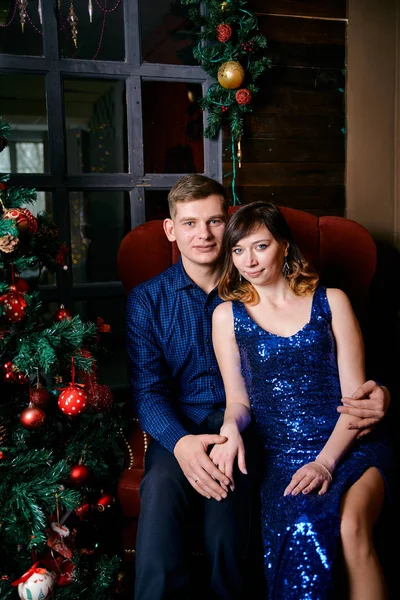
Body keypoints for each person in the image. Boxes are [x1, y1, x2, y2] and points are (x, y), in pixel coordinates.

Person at [125, 175, 390, 600]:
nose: (204, 234)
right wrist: (181, 444)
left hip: (259, 429)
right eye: (190, 223)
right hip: (192, 424)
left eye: (214, 222)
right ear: (172, 231)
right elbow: (148, 391)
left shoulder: (283, 295)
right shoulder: (150, 300)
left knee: (230, 516)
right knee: (160, 488)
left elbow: (338, 369)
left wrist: (383, 392)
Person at [211, 200, 392, 600]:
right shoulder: (227, 316)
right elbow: (238, 401)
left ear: (284, 246)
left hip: (350, 446)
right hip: (284, 460)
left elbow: (357, 402)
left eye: (260, 246)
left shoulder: (333, 302)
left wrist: (325, 463)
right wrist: (229, 427)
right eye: (238, 250)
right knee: (302, 525)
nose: (249, 261)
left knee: (351, 528)